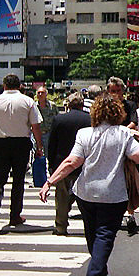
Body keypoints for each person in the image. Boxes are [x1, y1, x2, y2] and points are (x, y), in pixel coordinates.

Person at [39, 93, 139, 276]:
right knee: (106, 232)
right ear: (117, 113)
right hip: (113, 193)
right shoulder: (123, 133)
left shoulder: (84, 133)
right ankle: (96, 272)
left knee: (92, 232)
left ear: (95, 112)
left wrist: (49, 181)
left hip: (86, 192)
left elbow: (72, 162)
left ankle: (99, 269)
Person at [0, 74, 44, 231]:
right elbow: (35, 126)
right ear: (19, 86)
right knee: (18, 180)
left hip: (1, 142)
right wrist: (39, 146)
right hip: (21, 143)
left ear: (4, 85)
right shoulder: (27, 101)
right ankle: (15, 215)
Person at [47, 92, 91, 236]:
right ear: (82, 104)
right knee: (84, 197)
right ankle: (90, 225)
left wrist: (51, 163)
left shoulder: (59, 119)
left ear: (69, 104)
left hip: (63, 161)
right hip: (84, 162)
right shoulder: (89, 119)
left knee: (61, 196)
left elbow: (52, 143)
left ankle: (61, 225)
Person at [36, 86, 59, 152]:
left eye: (42, 93)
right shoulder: (33, 106)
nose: (40, 94)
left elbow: (57, 119)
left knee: (49, 154)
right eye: (38, 93)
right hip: (37, 135)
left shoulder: (52, 106)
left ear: (46, 94)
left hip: (49, 134)